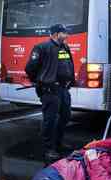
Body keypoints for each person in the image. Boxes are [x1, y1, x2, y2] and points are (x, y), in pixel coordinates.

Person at [25, 24, 75, 160]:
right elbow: (30, 68)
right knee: (50, 120)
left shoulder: (65, 47)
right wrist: (39, 80)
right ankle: (49, 148)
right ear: (56, 34)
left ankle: (58, 143)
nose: (67, 35)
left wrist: (71, 79)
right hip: (49, 90)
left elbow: (69, 64)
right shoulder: (42, 47)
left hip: (63, 89)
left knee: (65, 116)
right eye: (64, 33)